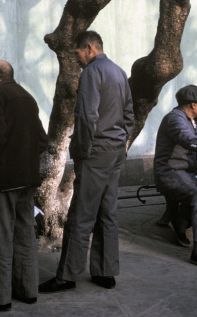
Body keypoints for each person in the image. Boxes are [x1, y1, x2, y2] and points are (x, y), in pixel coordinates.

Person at [40, 31, 134, 293]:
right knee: (107, 213)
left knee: (81, 215)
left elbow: (87, 117)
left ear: (89, 48)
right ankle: (105, 272)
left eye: (78, 53)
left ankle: (67, 275)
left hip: (96, 152)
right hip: (114, 151)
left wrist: (82, 151)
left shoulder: (92, 73)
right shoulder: (118, 72)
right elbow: (129, 115)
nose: (77, 59)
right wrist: (120, 146)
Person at [0, 60, 49, 312]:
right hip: (28, 178)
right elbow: (42, 140)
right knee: (25, 234)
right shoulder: (27, 97)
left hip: (3, 180)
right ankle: (28, 290)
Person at [151, 85, 197, 269]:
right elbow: (185, 137)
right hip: (169, 173)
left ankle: (181, 220)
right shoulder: (175, 119)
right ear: (192, 104)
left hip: (187, 173)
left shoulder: (193, 120)